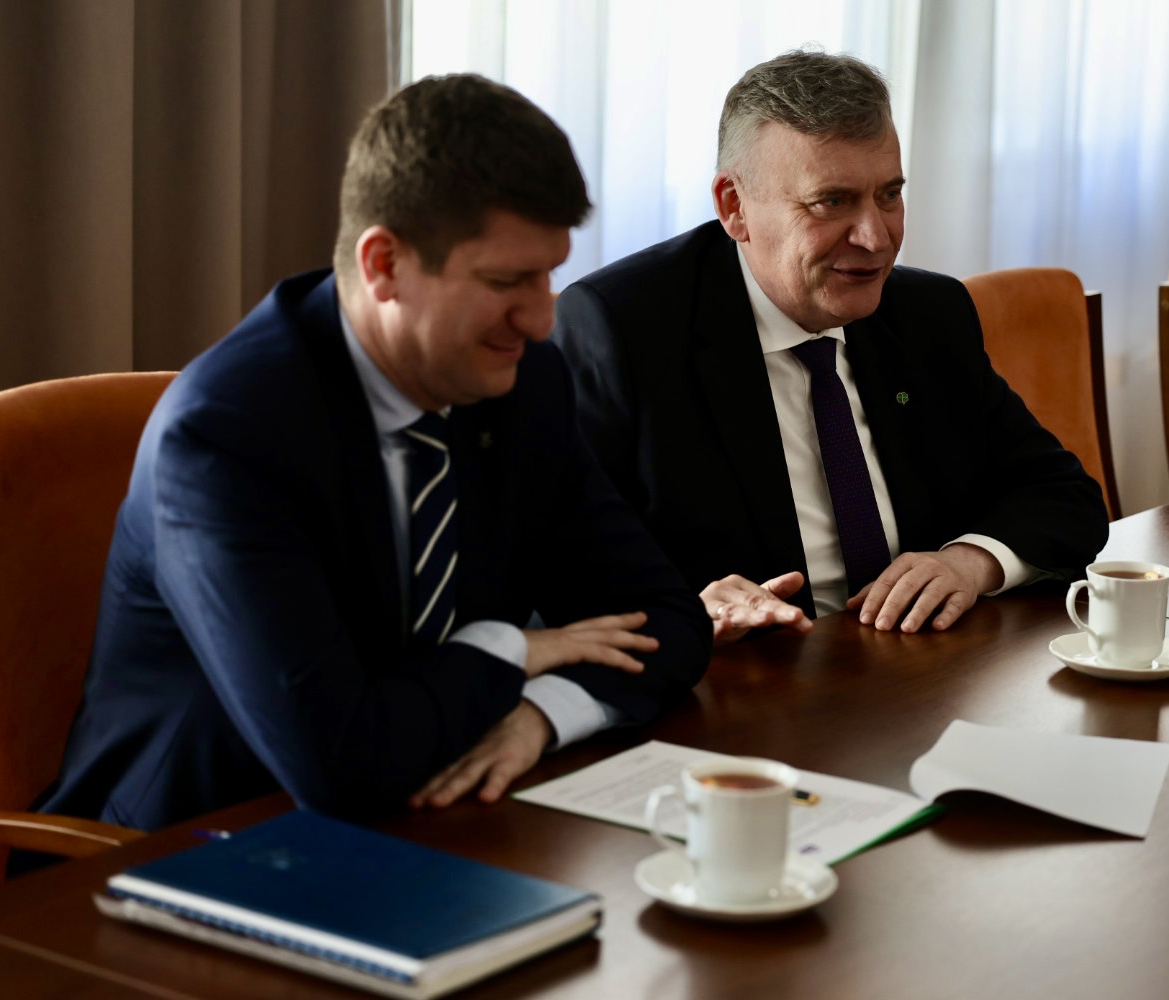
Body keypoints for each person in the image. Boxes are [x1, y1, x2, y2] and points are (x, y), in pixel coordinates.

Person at [37, 74, 710, 833]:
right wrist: (512, 649)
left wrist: (541, 715)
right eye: (506, 281)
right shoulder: (225, 438)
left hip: (435, 813)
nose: (541, 319)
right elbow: (342, 766)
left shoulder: (523, 384)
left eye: (549, 273)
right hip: (196, 844)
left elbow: (670, 622)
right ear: (384, 264)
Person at [553, 50, 1107, 643]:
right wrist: (688, 611)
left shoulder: (928, 314)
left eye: (889, 195)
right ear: (734, 206)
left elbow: (1065, 497)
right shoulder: (624, 329)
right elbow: (557, 568)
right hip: (747, 679)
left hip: (921, 665)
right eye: (832, 202)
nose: (876, 238)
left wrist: (968, 563)